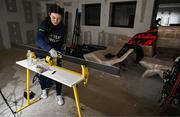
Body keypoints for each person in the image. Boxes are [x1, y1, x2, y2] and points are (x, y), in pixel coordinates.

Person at [35, 4, 66, 105]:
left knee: (58, 74)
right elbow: (38, 40)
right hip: (44, 50)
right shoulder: (45, 24)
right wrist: (49, 49)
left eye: (58, 18)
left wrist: (61, 49)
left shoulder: (63, 27)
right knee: (42, 72)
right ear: (49, 15)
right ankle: (44, 90)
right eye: (53, 17)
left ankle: (58, 94)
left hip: (55, 54)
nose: (56, 21)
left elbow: (62, 41)